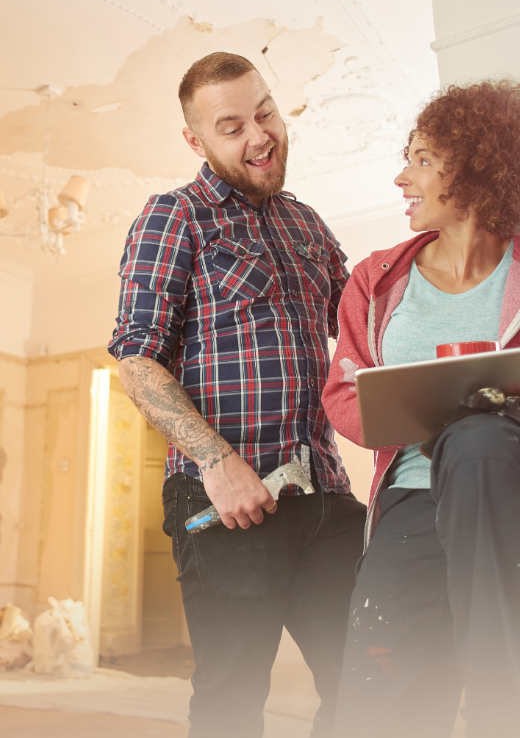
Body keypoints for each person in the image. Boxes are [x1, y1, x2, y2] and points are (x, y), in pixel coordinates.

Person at [108, 52, 366, 738]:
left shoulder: (307, 224)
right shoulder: (175, 217)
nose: (259, 135)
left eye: (265, 112)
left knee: (369, 682)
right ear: (195, 141)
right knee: (231, 701)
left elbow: (365, 334)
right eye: (231, 126)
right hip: (222, 503)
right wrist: (218, 463)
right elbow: (135, 358)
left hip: (324, 494)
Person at [322, 79, 520, 738]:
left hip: (506, 489)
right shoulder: (375, 280)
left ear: (475, 166)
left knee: (479, 441)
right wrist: (419, 408)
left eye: (423, 160)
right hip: (413, 497)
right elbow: (344, 394)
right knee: (379, 699)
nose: (403, 177)